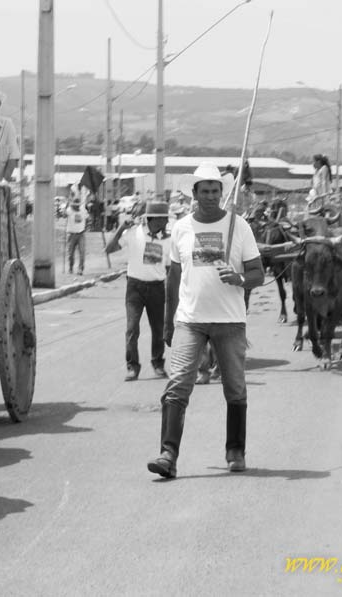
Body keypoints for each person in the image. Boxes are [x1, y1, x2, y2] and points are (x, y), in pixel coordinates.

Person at [147, 163, 264, 478]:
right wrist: (169, 322)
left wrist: (238, 277)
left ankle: (235, 451)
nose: (211, 196)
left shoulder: (239, 227)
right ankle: (168, 455)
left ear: (222, 193)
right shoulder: (182, 228)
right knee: (177, 386)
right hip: (190, 320)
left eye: (215, 190)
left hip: (229, 322)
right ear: (194, 194)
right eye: (205, 191)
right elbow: (173, 277)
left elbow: (258, 274)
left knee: (235, 388)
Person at [105, 201, 171, 381]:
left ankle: (158, 364)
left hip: (157, 287)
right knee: (132, 329)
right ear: (151, 219)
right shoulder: (133, 234)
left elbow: (171, 266)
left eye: (166, 219)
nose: (165, 222)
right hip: (135, 288)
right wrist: (120, 228)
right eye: (162, 219)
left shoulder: (168, 239)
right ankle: (132, 366)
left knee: (158, 330)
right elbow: (108, 249)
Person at [65, 196, 88, 275]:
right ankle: (71, 267)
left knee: (82, 252)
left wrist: (85, 227)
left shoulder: (83, 210)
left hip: (81, 233)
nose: (77, 206)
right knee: (70, 253)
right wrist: (67, 204)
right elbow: (65, 213)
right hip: (71, 234)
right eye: (75, 205)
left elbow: (87, 217)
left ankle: (80, 269)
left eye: (78, 205)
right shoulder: (69, 210)